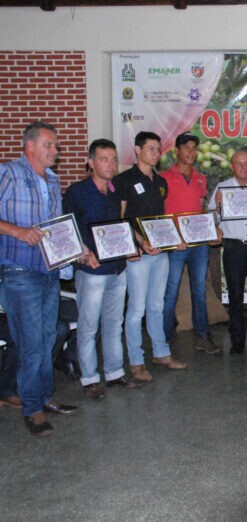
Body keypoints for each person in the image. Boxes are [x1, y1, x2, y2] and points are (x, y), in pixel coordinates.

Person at [0, 121, 78, 437]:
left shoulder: (54, 180)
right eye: (49, 145)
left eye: (55, 145)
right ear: (30, 146)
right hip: (19, 270)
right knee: (32, 342)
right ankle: (32, 408)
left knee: (47, 338)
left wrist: (76, 248)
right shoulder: (9, 173)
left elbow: (55, 227)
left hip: (50, 271)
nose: (55, 151)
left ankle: (44, 397)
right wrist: (17, 231)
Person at [63, 139, 144, 399]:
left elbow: (120, 227)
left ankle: (115, 373)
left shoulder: (114, 191)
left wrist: (130, 247)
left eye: (113, 159)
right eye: (104, 159)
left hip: (117, 269)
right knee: (88, 327)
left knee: (113, 324)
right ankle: (89, 379)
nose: (110, 164)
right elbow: (69, 231)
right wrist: (83, 255)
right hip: (92, 271)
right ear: (90, 163)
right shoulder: (76, 193)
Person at [115, 131, 187, 383]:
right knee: (136, 308)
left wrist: (172, 239)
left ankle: (161, 353)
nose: (156, 154)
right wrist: (139, 242)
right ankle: (136, 361)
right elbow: (120, 217)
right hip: (139, 254)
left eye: (158, 149)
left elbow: (161, 219)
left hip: (160, 253)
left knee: (157, 305)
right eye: (151, 149)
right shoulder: (123, 180)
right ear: (137, 150)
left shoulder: (160, 182)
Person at [160, 132, 220, 354]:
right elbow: (160, 212)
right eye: (186, 148)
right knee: (171, 292)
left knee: (199, 290)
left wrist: (211, 228)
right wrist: (170, 236)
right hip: (175, 244)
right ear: (177, 150)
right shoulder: (163, 178)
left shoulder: (200, 179)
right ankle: (163, 340)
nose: (191, 152)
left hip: (198, 243)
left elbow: (202, 209)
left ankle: (203, 336)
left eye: (194, 148)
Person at [209, 150, 247, 354]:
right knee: (235, 294)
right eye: (239, 163)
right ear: (232, 166)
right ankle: (237, 340)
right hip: (233, 246)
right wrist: (218, 205)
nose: (243, 166)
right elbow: (212, 218)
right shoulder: (222, 188)